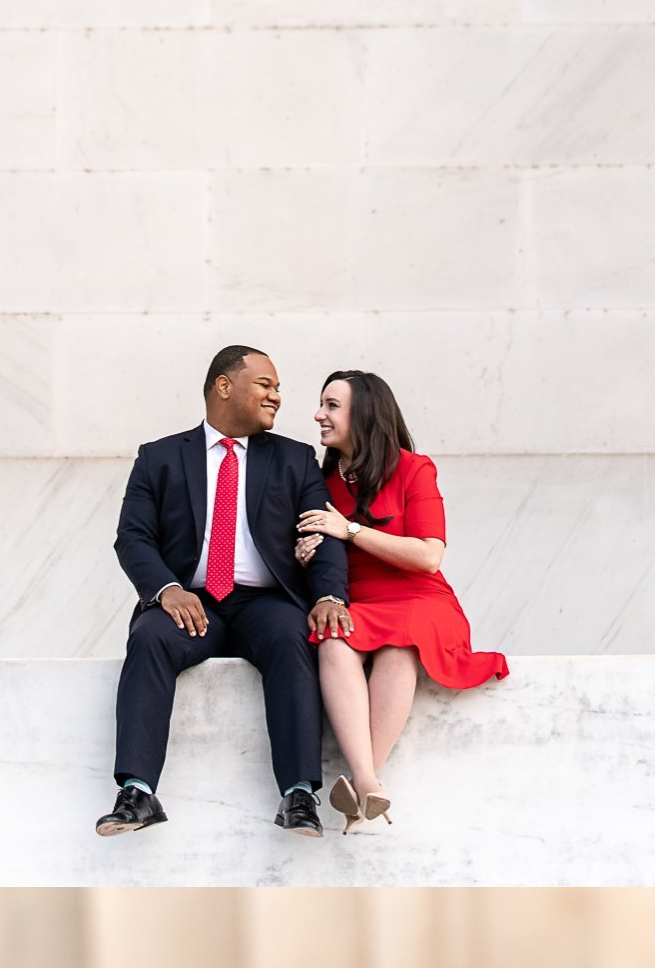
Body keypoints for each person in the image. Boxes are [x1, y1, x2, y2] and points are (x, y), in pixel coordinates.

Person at [98, 347, 352, 843]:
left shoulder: (294, 459)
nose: (276, 395)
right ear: (224, 386)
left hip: (265, 602)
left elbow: (322, 535)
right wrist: (167, 589)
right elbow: (133, 537)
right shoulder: (160, 457)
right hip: (191, 603)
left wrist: (330, 596)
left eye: (277, 387)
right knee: (149, 638)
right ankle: (137, 791)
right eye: (264, 384)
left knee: (291, 637)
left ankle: (300, 794)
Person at [295, 370, 506, 830]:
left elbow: (429, 556)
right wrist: (304, 553)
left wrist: (349, 530)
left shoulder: (413, 468)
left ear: (364, 413)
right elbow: (312, 550)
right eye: (322, 404)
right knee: (332, 638)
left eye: (332, 405)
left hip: (419, 598)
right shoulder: (318, 480)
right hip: (359, 601)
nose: (319, 415)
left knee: (398, 644)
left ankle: (364, 781)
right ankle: (369, 786)